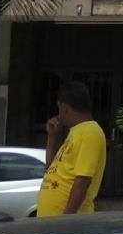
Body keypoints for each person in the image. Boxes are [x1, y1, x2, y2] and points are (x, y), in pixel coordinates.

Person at [38, 83, 107, 217]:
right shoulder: (76, 132)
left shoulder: (90, 132)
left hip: (64, 224)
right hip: (52, 221)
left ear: (64, 108)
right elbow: (51, 168)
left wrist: (66, 219)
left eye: (59, 109)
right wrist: (52, 138)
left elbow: (82, 181)